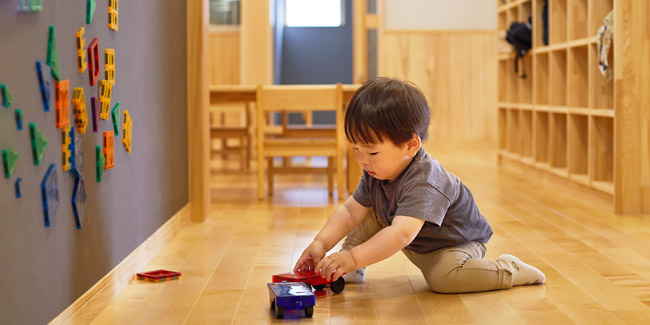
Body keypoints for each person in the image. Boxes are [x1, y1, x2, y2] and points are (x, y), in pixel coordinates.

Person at [293, 77, 545, 293]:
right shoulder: (377, 170)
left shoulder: (425, 180)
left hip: (451, 245)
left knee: (443, 279)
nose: (362, 160)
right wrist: (320, 244)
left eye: (371, 152)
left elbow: (401, 233)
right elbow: (350, 212)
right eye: (356, 149)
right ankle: (352, 270)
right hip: (410, 235)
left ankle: (509, 269)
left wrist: (353, 256)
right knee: (365, 213)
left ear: (411, 145)